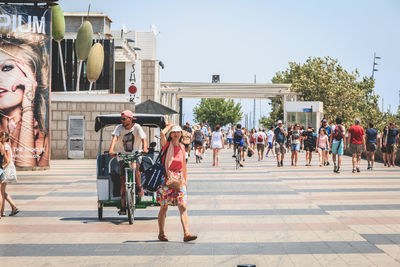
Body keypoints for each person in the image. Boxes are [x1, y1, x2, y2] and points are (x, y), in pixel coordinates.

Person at [0, 34, 50, 167]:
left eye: (7, 68)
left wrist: (28, 105)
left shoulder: (43, 139)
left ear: (32, 76)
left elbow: (26, 166)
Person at [157, 124, 197, 242]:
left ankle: (186, 233)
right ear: (171, 134)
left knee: (183, 206)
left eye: (178, 132)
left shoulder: (182, 147)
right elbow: (162, 134)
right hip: (167, 178)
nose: (176, 134)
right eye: (174, 132)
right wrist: (170, 126)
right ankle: (161, 233)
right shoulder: (166, 145)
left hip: (179, 179)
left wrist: (185, 180)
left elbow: (184, 165)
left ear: (181, 134)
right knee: (164, 207)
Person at [108, 110, 148, 215]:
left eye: (124, 119)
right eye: (121, 119)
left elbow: (143, 138)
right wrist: (111, 150)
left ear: (130, 119)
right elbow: (115, 138)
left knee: (135, 168)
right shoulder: (119, 128)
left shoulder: (137, 127)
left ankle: (139, 187)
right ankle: (123, 206)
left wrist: (145, 148)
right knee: (123, 182)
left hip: (135, 154)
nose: (122, 121)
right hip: (122, 156)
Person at [0, 131, 19, 218]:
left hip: (5, 168)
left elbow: (7, 160)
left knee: (2, 192)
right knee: (2, 192)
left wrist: (2, 168)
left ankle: (12, 207)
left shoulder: (5, 145)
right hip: (5, 168)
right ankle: (4, 210)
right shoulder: (5, 144)